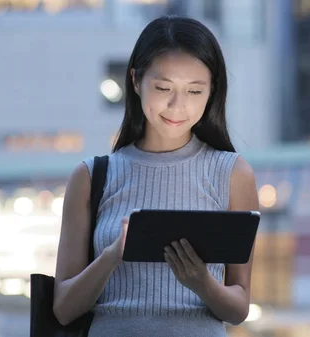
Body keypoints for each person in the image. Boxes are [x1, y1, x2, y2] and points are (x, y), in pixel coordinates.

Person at [51, 16, 259, 337]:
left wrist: (200, 282)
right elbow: (64, 309)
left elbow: (238, 308)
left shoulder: (232, 173)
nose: (177, 105)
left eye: (194, 90)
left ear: (212, 90)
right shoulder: (92, 177)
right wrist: (113, 256)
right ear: (135, 80)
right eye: (163, 88)